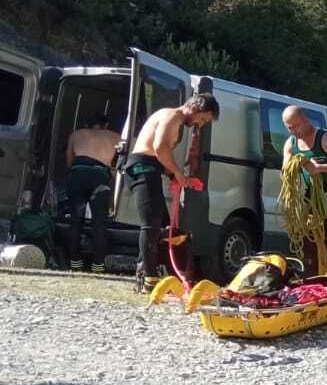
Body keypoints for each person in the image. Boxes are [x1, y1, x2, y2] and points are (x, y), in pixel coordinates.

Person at [124, 94, 218, 290]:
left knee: (163, 225)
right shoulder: (171, 116)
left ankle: (148, 271)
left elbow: (160, 156)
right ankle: (149, 277)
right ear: (194, 107)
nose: (200, 125)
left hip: (150, 168)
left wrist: (175, 176)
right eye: (202, 119)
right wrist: (176, 172)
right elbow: (159, 149)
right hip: (142, 167)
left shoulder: (178, 122)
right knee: (151, 223)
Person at [281, 105, 327, 271]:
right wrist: (295, 166)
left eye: (296, 126)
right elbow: (286, 168)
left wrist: (320, 168)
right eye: (289, 127)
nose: (293, 131)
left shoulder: (326, 138)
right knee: (304, 230)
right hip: (310, 189)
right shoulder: (290, 143)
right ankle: (312, 270)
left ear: (305, 120)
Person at [63, 115, 120, 272]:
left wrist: (72, 173)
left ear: (86, 124)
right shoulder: (115, 136)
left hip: (78, 172)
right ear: (106, 124)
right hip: (100, 175)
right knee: (99, 222)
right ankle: (98, 264)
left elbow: (69, 156)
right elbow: (120, 160)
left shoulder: (76, 134)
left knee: (76, 220)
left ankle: (75, 262)